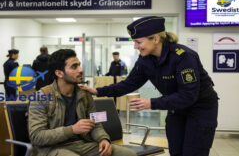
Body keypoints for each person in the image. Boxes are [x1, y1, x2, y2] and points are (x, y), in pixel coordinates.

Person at [81, 16, 219, 156]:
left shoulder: (183, 56)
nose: (135, 46)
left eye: (138, 42)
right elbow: (129, 84)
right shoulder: (145, 60)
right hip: (176, 109)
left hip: (200, 108)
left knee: (193, 152)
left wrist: (151, 103)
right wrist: (97, 91)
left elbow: (188, 95)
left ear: (156, 39)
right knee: (176, 151)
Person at [28, 49, 136, 156]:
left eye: (79, 65)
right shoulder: (41, 97)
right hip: (52, 148)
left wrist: (103, 138)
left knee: (128, 154)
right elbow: (36, 137)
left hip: (83, 145)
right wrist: (72, 129)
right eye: (74, 67)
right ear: (59, 73)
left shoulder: (84, 94)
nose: (81, 70)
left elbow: (95, 124)